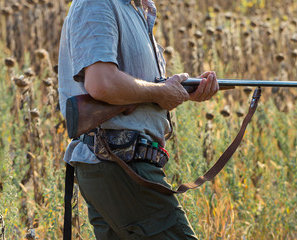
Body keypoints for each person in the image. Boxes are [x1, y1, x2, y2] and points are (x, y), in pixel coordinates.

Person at [58, 0, 220, 239]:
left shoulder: (134, 9)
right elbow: (102, 83)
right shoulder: (98, 3)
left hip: (120, 165)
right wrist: (160, 92)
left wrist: (177, 91)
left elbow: (133, 88)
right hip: (121, 164)